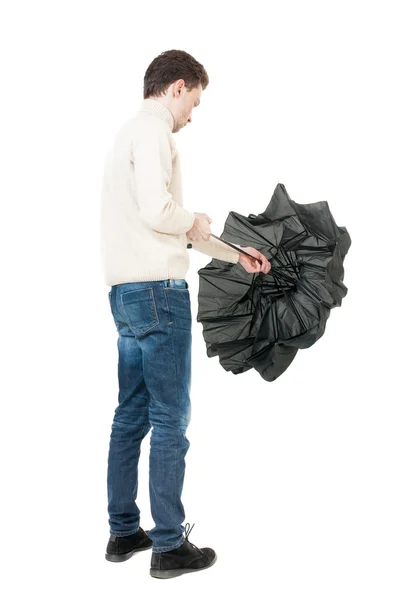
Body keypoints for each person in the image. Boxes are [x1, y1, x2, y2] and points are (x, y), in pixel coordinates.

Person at [100, 49, 271, 579]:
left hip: (127, 295)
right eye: (193, 102)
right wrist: (195, 219)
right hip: (160, 293)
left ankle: (124, 530)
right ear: (176, 87)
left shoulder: (125, 135)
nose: (192, 115)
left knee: (130, 415)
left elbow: (163, 226)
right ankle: (169, 545)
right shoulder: (155, 134)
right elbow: (163, 213)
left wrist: (234, 254)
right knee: (170, 419)